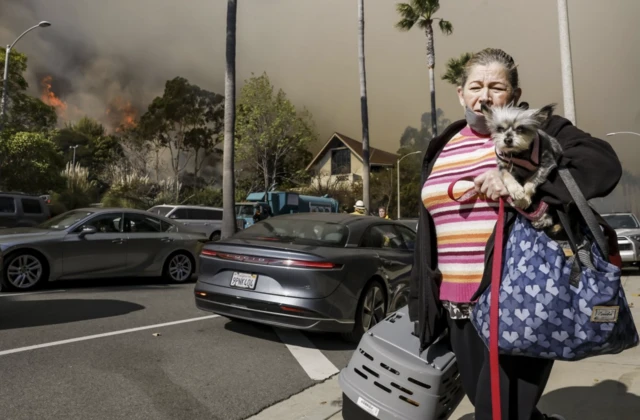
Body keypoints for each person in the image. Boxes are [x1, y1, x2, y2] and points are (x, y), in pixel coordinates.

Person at [408, 48, 621, 420]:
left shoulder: (537, 130)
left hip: (520, 302)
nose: (484, 96)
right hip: (457, 308)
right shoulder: (443, 145)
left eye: (497, 87)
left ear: (516, 95)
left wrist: (522, 182)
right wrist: (423, 301)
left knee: (497, 413)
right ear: (460, 93)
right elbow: (430, 232)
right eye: (475, 86)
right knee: (494, 408)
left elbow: (602, 165)